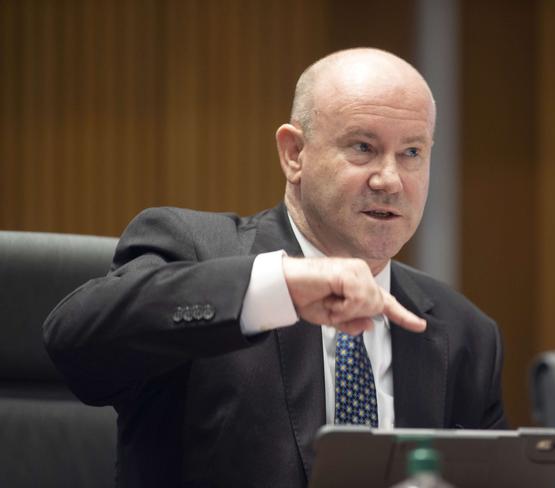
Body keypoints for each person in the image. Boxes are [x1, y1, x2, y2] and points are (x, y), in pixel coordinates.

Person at [43, 48, 507, 487]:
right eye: (363, 147)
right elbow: (74, 343)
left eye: (412, 153)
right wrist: (277, 285)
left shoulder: (464, 332)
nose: (389, 180)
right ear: (294, 154)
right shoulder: (195, 249)